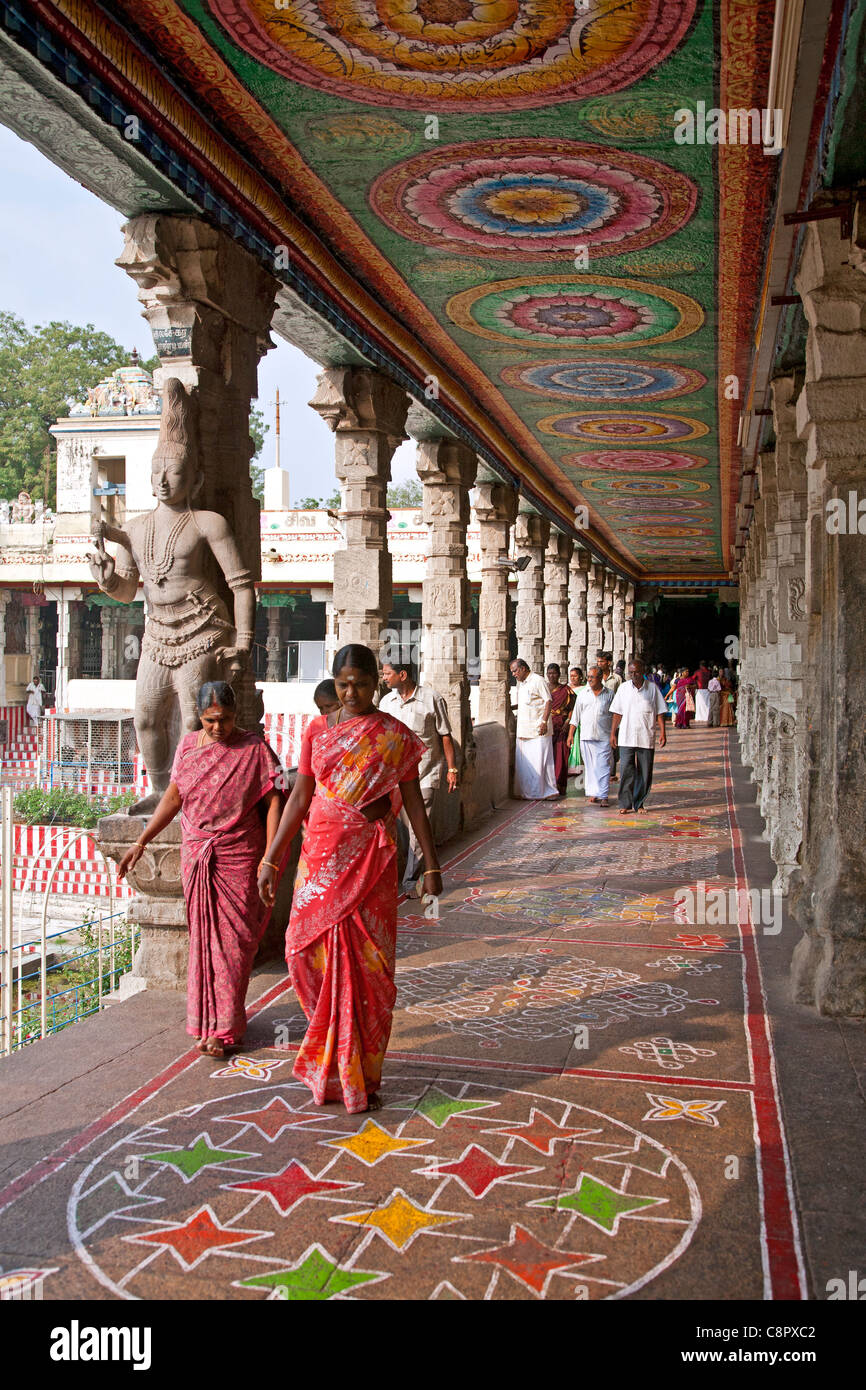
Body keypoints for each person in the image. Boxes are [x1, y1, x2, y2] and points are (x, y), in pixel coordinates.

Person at [257, 644, 439, 1114]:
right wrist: (272, 858)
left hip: (372, 862)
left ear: (376, 682)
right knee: (300, 950)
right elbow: (299, 797)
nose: (352, 692)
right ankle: (330, 1052)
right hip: (320, 857)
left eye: (360, 683)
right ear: (333, 683)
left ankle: (360, 1074)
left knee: (369, 970)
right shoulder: (318, 729)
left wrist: (433, 865)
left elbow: (413, 802)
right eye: (343, 684)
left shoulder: (394, 734)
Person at [118, 681, 283, 1058]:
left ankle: (225, 1027)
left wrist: (270, 857)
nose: (217, 728)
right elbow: (174, 797)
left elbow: (274, 800)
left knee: (235, 945)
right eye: (210, 720)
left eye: (224, 719)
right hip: (198, 856)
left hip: (240, 855)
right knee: (204, 943)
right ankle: (207, 1024)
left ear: (235, 715)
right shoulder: (188, 748)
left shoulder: (253, 749)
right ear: (199, 717)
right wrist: (141, 841)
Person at [380, 658, 458, 889]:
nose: (384, 678)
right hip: (394, 778)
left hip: (425, 774)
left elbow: (445, 735)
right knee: (401, 831)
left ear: (402, 675)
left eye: (387, 674)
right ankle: (407, 874)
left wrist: (451, 769)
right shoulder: (386, 702)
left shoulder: (432, 699)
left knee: (416, 830)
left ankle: (410, 881)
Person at [609, 658, 667, 814]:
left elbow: (660, 712)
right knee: (626, 769)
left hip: (645, 735)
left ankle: (639, 803)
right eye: (631, 672)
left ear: (644, 672)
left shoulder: (652, 689)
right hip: (626, 736)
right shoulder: (623, 688)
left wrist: (663, 732)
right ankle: (624, 804)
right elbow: (617, 712)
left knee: (644, 771)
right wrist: (613, 733)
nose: (634, 675)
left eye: (637, 672)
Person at [509, 658, 558, 799]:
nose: (513, 674)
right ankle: (526, 792)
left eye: (515, 671)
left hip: (538, 730)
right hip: (524, 730)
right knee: (525, 765)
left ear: (523, 668)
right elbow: (525, 704)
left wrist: (543, 721)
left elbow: (548, 700)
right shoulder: (522, 684)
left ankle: (545, 792)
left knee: (540, 763)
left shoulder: (538, 680)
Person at [567, 666, 614, 805]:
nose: (589, 679)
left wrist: (614, 734)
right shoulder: (583, 694)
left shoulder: (610, 694)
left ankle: (604, 795)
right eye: (588, 677)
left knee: (603, 766)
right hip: (586, 736)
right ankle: (594, 793)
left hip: (604, 736)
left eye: (592, 677)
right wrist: (571, 735)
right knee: (591, 766)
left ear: (600, 678)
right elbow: (575, 716)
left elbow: (616, 715)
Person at [547, 662, 575, 795]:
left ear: (559, 674)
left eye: (554, 673)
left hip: (562, 726)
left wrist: (567, 722)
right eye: (549, 673)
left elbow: (573, 709)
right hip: (548, 725)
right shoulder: (544, 688)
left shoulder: (566, 690)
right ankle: (548, 784)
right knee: (548, 756)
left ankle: (560, 783)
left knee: (561, 755)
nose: (552, 676)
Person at [567, 667, 585, 778]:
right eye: (571, 676)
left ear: (581, 677)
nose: (573, 678)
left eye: (575, 676)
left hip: (581, 719)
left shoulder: (585, 689)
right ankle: (570, 766)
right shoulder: (567, 688)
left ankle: (579, 766)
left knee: (578, 742)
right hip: (568, 718)